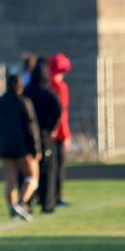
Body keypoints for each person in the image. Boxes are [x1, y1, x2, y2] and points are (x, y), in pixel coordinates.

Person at [0, 74, 40, 221]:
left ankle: (12, 207)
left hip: (4, 147)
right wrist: (36, 148)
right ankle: (21, 203)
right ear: (20, 87)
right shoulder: (24, 102)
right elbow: (31, 127)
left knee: (10, 180)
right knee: (32, 177)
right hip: (22, 147)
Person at [23, 58, 61, 213]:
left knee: (27, 172)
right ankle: (47, 203)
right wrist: (51, 127)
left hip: (28, 137)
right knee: (47, 171)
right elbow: (58, 110)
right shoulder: (48, 93)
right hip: (44, 137)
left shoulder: (26, 92)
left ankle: (27, 203)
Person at [49, 53, 72, 207]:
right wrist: (66, 135)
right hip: (58, 134)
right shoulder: (60, 87)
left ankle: (48, 196)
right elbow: (62, 113)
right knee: (58, 167)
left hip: (45, 133)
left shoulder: (46, 85)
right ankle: (57, 196)